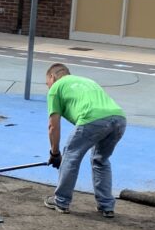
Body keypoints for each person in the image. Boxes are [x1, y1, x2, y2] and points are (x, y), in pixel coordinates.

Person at [42, 64, 126, 218]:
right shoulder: (87, 81)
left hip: (92, 118)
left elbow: (53, 126)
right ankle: (106, 206)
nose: (48, 87)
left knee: (71, 156)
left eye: (47, 83)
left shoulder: (56, 88)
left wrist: (55, 153)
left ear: (52, 77)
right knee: (100, 160)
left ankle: (61, 201)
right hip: (119, 119)